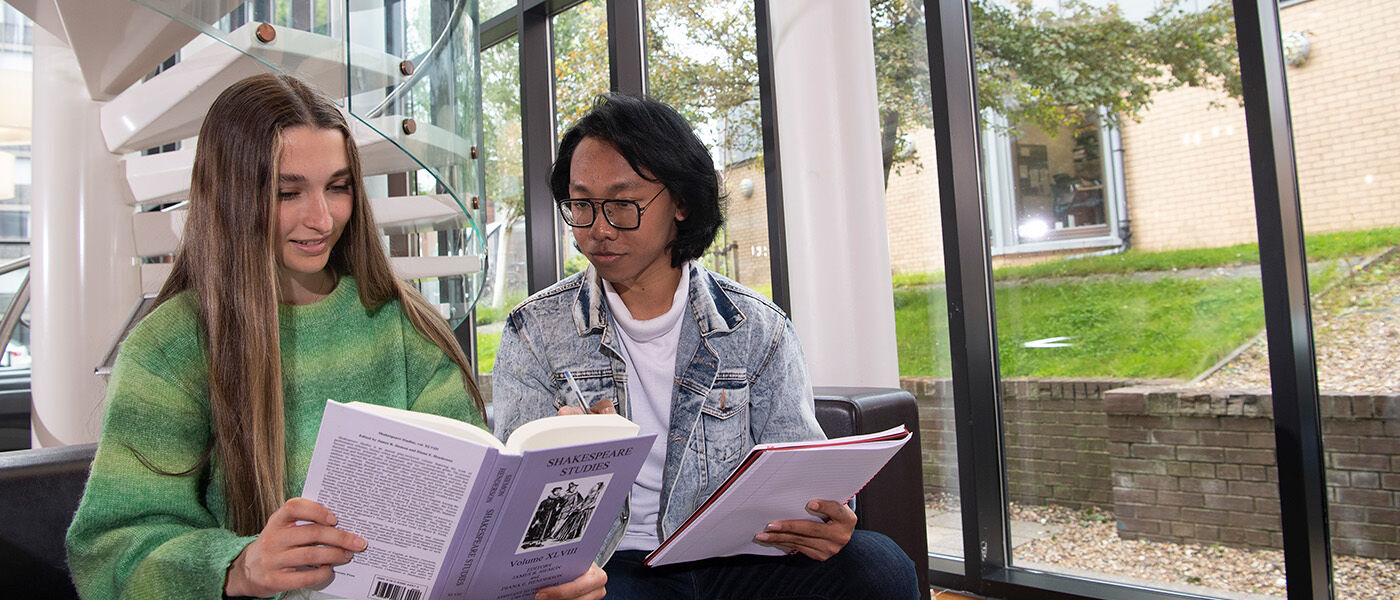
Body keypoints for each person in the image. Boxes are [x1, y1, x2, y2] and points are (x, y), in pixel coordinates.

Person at [65, 73, 605, 600]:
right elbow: (112, 551)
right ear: (229, 195)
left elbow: (471, 521)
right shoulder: (170, 348)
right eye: (287, 192)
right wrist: (237, 567)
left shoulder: (403, 326)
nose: (322, 218)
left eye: (338, 187)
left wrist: (532, 569)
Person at [491, 93, 919, 599]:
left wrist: (824, 519)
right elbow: (517, 515)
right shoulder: (535, 331)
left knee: (879, 567)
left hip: (738, 559)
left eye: (622, 205)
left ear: (681, 203)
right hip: (612, 567)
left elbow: (801, 475)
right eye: (582, 205)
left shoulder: (756, 327)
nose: (599, 229)